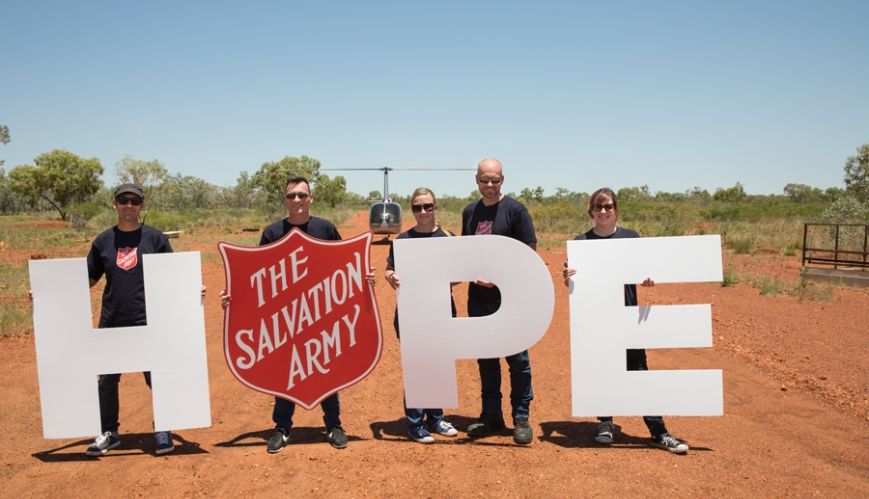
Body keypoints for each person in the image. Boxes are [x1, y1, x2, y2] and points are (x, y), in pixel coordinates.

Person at [220, 176, 373, 453]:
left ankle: (334, 424)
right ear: (285, 200)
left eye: (302, 195)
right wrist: (234, 298)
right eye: (291, 196)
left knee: (326, 368)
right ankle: (282, 427)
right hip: (286, 317)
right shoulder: (272, 232)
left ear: (311, 198)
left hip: (321, 311)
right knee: (286, 372)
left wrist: (365, 280)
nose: (297, 200)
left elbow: (345, 262)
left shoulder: (325, 228)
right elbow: (256, 276)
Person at [563, 187, 690, 454]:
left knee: (638, 372)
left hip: (628, 318)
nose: (603, 211)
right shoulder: (581, 243)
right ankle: (605, 423)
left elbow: (646, 271)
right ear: (591, 211)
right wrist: (569, 277)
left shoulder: (631, 238)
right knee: (602, 369)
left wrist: (648, 278)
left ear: (616, 209)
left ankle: (659, 432)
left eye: (608, 206)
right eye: (598, 207)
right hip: (597, 318)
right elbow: (572, 286)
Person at [83, 183, 181, 456]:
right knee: (107, 380)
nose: (129, 205)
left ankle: (163, 429)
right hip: (112, 320)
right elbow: (88, 279)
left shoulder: (155, 238)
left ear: (142, 205)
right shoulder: (103, 241)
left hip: (148, 320)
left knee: (156, 378)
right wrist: (48, 294)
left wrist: (191, 291)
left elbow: (173, 275)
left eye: (134, 201)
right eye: (123, 200)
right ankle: (109, 432)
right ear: (114, 203)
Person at [461, 157, 538, 445]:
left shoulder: (516, 211)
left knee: (518, 360)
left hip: (511, 299)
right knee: (486, 358)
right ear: (476, 180)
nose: (490, 185)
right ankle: (491, 415)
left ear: (502, 180)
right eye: (485, 180)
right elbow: (466, 252)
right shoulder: (470, 212)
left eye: (495, 180)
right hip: (478, 298)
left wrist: (500, 277)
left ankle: (521, 417)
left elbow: (530, 253)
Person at [384, 187, 460, 444]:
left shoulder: (448, 238)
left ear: (435, 207)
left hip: (440, 310)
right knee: (418, 367)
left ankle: (436, 418)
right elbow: (389, 270)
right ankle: (415, 423)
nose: (423, 211)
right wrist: (391, 277)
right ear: (412, 210)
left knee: (438, 364)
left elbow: (459, 274)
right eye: (417, 207)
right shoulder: (403, 241)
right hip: (410, 313)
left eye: (428, 206)